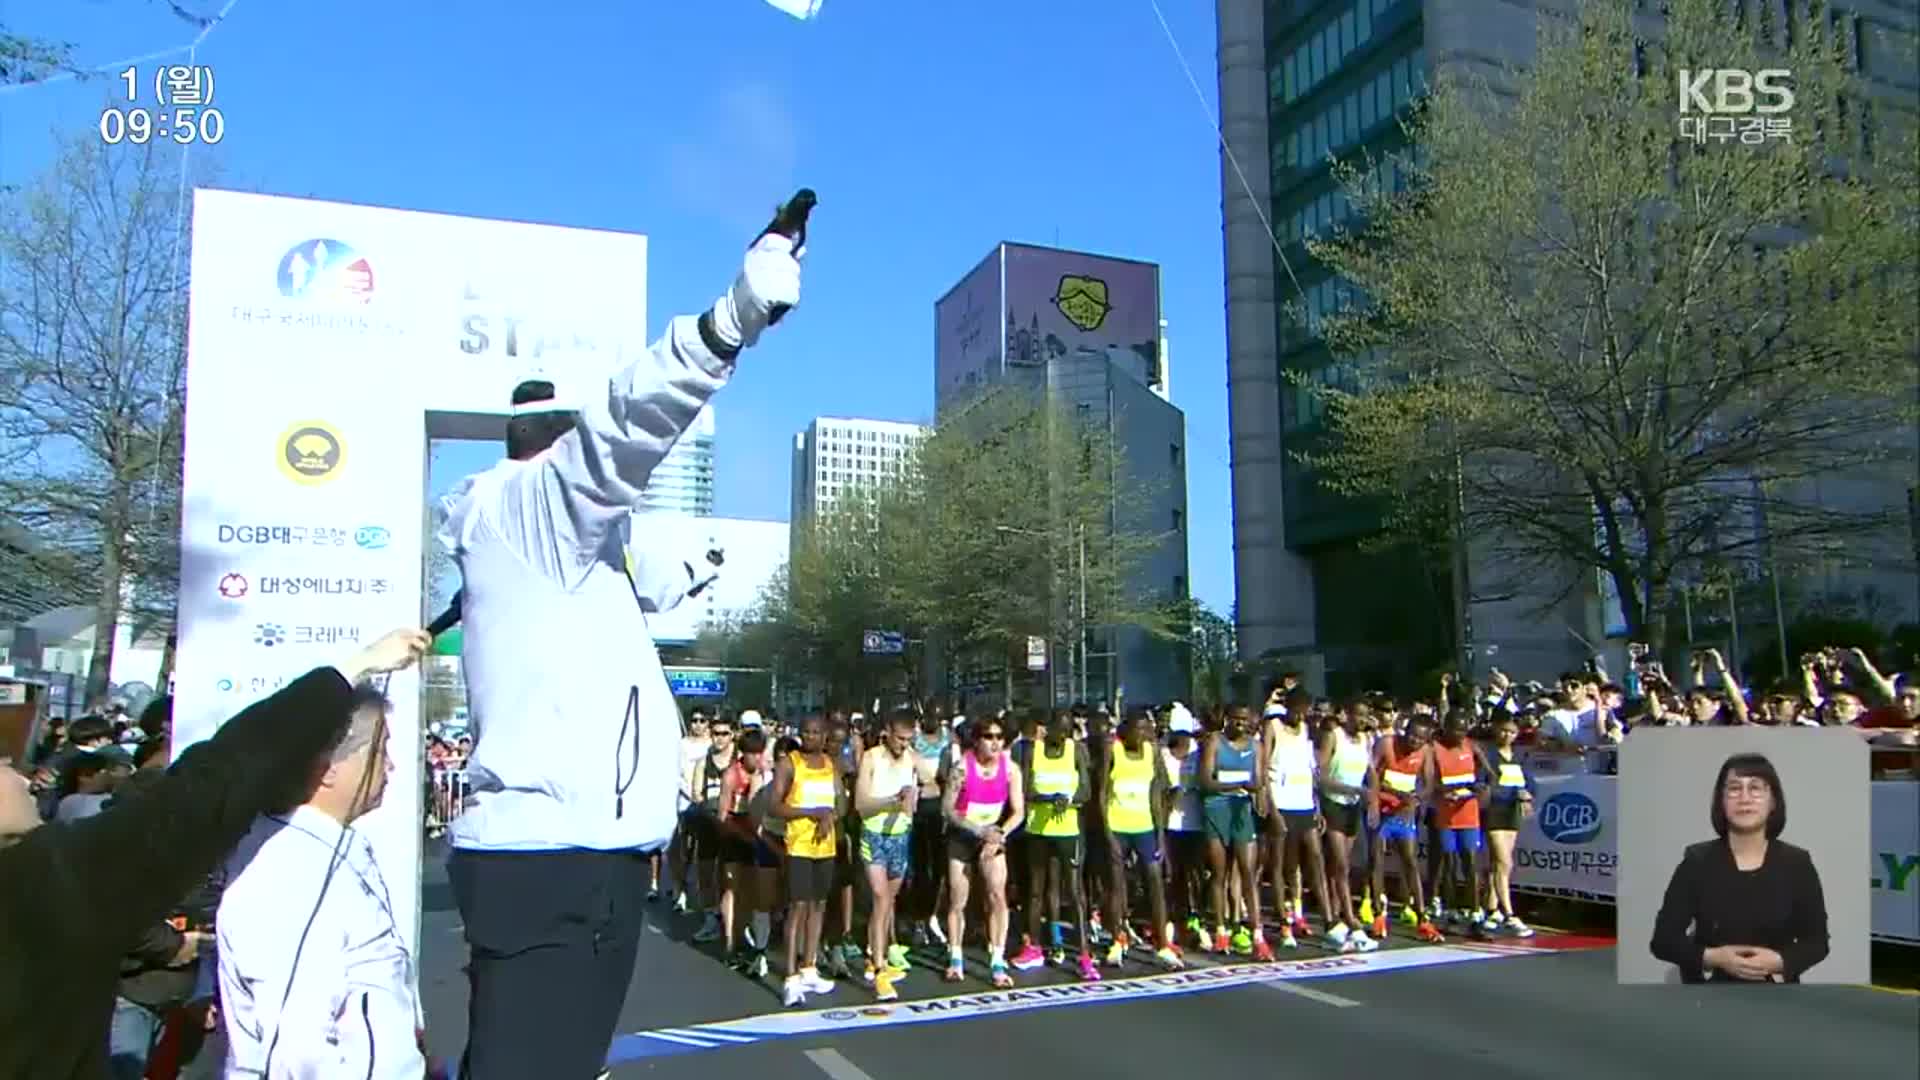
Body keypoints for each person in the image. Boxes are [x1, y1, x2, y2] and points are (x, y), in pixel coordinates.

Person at [435, 215, 802, 1077]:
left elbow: (639, 586)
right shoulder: (537, 512)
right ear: (558, 445)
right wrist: (731, 320)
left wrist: (705, 564)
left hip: (576, 856)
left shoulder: (552, 558)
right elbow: (625, 429)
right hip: (555, 862)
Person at [0, 629, 430, 1080]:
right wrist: (349, 671)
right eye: (8, 765)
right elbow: (212, 783)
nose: (30, 778)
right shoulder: (46, 879)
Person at [215, 683, 424, 1078]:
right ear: (327, 768)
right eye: (379, 752)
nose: (390, 766)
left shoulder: (323, 852)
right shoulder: (290, 869)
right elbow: (298, 1043)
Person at [1649, 752, 1830, 983]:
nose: (1744, 798)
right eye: (1734, 789)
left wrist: (1780, 961)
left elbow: (1817, 943)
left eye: (1755, 788)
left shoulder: (1797, 863)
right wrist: (1714, 957)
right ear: (1721, 802)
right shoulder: (1697, 861)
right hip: (1711, 995)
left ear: (1773, 801)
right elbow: (1663, 940)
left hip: (1779, 998)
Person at [1015, 710, 1098, 980]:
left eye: (1067, 731)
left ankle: (1085, 955)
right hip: (1038, 829)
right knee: (1038, 891)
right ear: (1046, 728)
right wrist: (1048, 798)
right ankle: (1035, 947)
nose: (1061, 736)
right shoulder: (1033, 751)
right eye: (1057, 730)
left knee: (1074, 892)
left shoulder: (1076, 751)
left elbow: (1086, 790)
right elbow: (1025, 790)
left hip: (1067, 831)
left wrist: (1069, 799)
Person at [767, 717, 844, 1008]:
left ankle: (810, 966)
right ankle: (790, 976)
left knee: (819, 904)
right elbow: (775, 806)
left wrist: (830, 817)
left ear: (825, 736)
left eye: (816, 733)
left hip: (825, 846)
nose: (811, 737)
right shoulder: (790, 763)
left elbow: (841, 803)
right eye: (806, 733)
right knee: (798, 906)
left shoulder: (830, 764)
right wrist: (811, 812)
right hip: (798, 844)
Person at [943, 718, 1025, 988]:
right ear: (976, 740)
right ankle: (955, 958)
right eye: (989, 737)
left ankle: (997, 960)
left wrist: (1000, 834)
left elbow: (1019, 812)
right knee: (958, 899)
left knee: (997, 896)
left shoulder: (1011, 769)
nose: (995, 743)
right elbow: (948, 810)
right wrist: (978, 831)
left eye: (1000, 737)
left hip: (993, 837)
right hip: (964, 836)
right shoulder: (961, 769)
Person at [1102, 707, 1182, 970]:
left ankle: (1162, 944)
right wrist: (1108, 834)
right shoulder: (1112, 750)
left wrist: (1160, 835)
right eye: (1140, 729)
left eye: (1147, 729)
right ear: (1127, 731)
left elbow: (1157, 797)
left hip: (1145, 826)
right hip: (1117, 825)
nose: (1145, 734)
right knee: (1117, 884)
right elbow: (1102, 793)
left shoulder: (1152, 752)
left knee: (1154, 880)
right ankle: (1117, 939)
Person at [852, 710, 919, 1001]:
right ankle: (879, 969)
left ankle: (874, 955)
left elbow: (932, 782)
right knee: (880, 898)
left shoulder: (911, 757)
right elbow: (861, 804)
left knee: (888, 902)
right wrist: (893, 799)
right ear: (888, 732)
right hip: (874, 834)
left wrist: (918, 791)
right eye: (900, 739)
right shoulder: (872, 757)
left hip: (900, 836)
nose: (903, 745)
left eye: (908, 740)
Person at [1200, 705, 1273, 961]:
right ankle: (1221, 930)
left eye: (1245, 719)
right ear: (1227, 719)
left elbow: (1260, 779)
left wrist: (1256, 790)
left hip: (1242, 811)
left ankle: (1257, 934)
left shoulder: (1255, 745)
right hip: (1216, 808)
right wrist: (1237, 785)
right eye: (1235, 719)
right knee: (1219, 873)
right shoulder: (1214, 742)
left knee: (1247, 873)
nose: (1240, 724)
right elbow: (1206, 781)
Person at [1481, 714, 1537, 938]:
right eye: (1504, 730)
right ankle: (1509, 913)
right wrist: (1514, 792)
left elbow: (1529, 782)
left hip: (1512, 813)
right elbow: (1485, 785)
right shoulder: (1488, 755)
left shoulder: (1520, 756)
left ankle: (1491, 910)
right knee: (1504, 862)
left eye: (1512, 732)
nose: (1507, 735)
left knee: (1500, 865)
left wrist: (1527, 795)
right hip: (1495, 810)